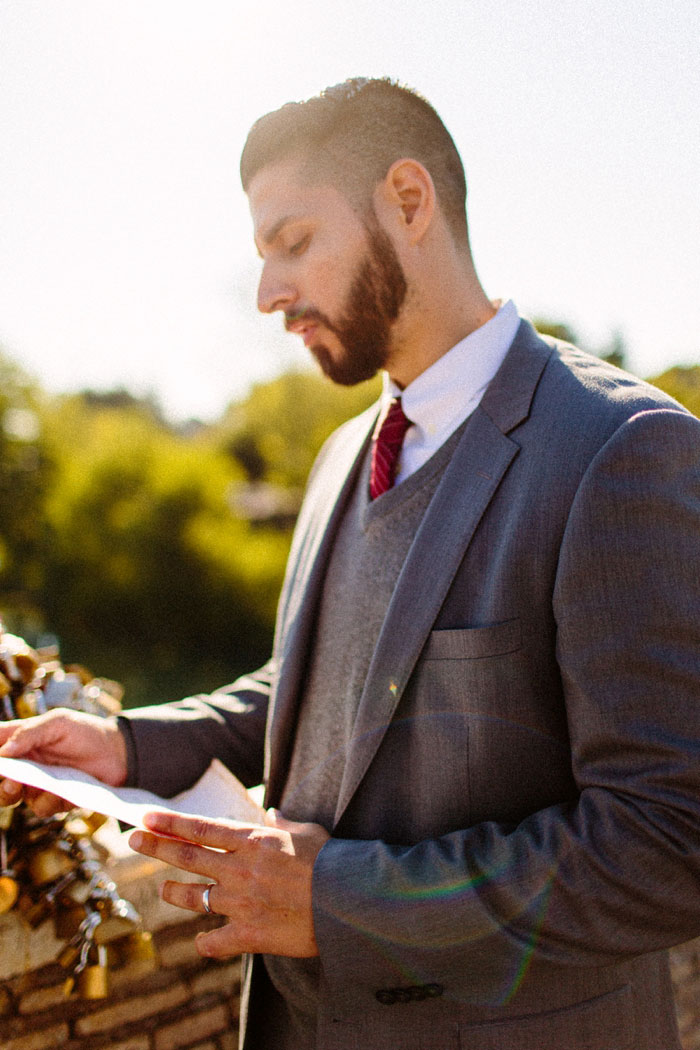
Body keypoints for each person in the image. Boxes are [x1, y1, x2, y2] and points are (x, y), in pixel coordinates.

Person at [1, 77, 700, 1050]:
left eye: (293, 244)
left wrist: (336, 900)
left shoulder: (620, 451)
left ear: (407, 203)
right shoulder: (340, 458)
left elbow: (667, 847)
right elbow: (320, 685)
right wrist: (129, 746)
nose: (266, 294)